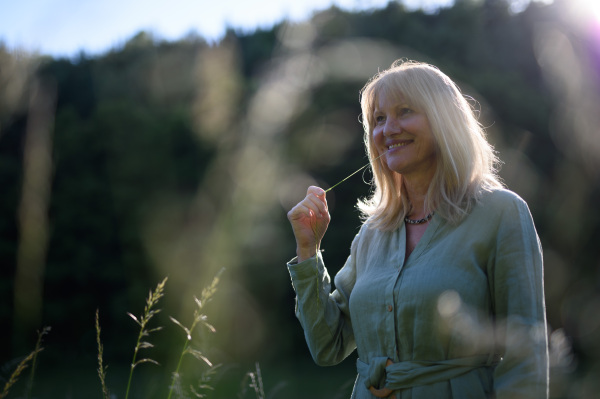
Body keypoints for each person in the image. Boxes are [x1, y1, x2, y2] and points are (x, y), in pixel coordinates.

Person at [286, 60, 549, 398]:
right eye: (379, 119)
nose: (388, 129)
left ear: (445, 120)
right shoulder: (371, 235)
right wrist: (308, 252)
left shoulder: (501, 214)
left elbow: (525, 356)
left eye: (405, 111)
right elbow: (328, 346)